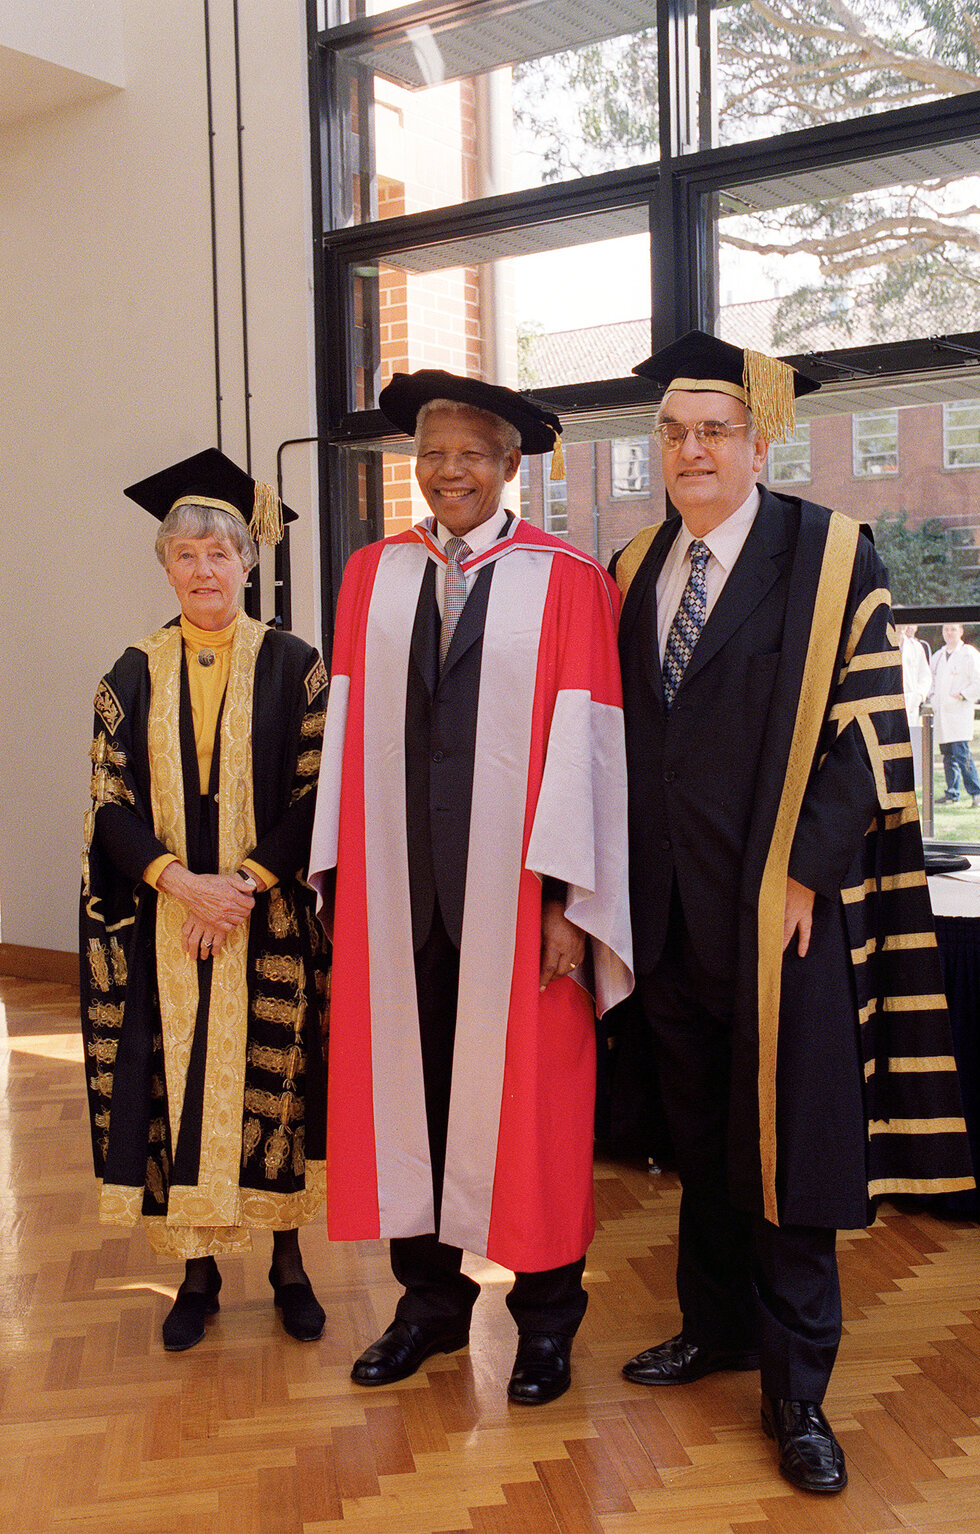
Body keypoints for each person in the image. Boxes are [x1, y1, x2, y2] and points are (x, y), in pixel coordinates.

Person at [611, 332, 973, 1494]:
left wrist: (809, 874)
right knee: (700, 1134)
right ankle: (711, 1328)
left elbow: (867, 730)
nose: (691, 449)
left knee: (787, 1148)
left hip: (780, 914)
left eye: (714, 429)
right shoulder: (628, 568)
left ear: (760, 440)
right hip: (665, 911)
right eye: (672, 431)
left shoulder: (828, 555)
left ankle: (796, 1390)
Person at [308, 371, 632, 1405]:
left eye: (470, 453)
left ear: (508, 466)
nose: (449, 469)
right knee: (415, 1092)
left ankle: (544, 1320)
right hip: (398, 886)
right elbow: (352, 729)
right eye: (433, 452)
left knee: (534, 1105)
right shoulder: (373, 573)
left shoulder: (568, 576)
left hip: (516, 894)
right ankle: (430, 1308)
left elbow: (588, 749)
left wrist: (566, 905)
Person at [80, 448, 331, 1352]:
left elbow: (317, 793)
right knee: (177, 1090)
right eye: (185, 554)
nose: (203, 570)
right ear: (166, 565)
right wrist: (181, 883)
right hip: (168, 924)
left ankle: (289, 1266)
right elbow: (108, 802)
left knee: (277, 1086)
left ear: (247, 564)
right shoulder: (130, 673)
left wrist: (246, 882)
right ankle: (196, 1274)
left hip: (266, 920)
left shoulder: (297, 666)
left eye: (219, 553)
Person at [930, 622, 980, 805]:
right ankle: (952, 793)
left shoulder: (969, 654)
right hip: (942, 713)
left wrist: (962, 695)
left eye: (953, 629)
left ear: (961, 631)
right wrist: (932, 697)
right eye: (946, 629)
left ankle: (977, 793)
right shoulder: (938, 656)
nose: (949, 633)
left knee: (962, 755)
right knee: (948, 756)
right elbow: (930, 681)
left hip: (959, 712)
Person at [898, 623, 932, 779]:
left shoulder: (916, 647)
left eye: (903, 624)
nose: (900, 627)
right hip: (890, 703)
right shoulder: (882, 643)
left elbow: (925, 676)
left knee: (910, 747)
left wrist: (919, 696)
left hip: (911, 703)